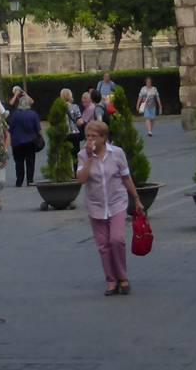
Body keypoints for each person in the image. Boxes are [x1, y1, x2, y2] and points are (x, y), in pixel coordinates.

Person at [76, 118, 144, 296]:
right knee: (103, 245)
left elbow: (126, 178)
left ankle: (123, 277)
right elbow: (81, 179)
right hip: (96, 205)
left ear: (104, 137)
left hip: (117, 202)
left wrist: (136, 199)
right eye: (87, 136)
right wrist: (90, 159)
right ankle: (111, 280)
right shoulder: (83, 155)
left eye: (93, 136)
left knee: (117, 239)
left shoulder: (117, 153)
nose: (90, 140)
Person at [7, 94, 42, 187]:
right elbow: (38, 129)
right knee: (30, 161)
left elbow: (10, 129)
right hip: (30, 141)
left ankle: (19, 181)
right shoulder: (33, 114)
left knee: (19, 162)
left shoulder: (14, 115)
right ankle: (30, 180)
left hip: (17, 142)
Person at [59, 88, 85, 159]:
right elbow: (80, 122)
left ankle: (66, 169)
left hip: (64, 133)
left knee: (64, 155)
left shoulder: (59, 107)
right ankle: (76, 169)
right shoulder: (75, 107)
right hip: (74, 133)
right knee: (75, 154)